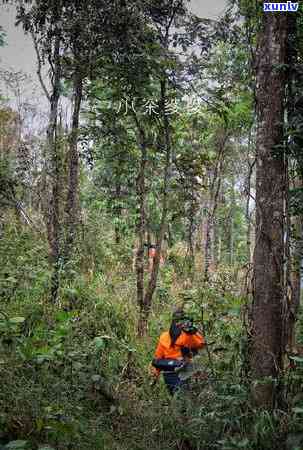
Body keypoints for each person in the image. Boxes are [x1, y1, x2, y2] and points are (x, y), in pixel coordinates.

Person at [151, 308, 205, 395]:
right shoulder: (186, 335)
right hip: (183, 372)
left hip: (168, 374)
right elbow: (201, 344)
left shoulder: (164, 336)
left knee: (177, 400)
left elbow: (158, 357)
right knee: (184, 401)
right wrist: (192, 332)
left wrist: (154, 376)